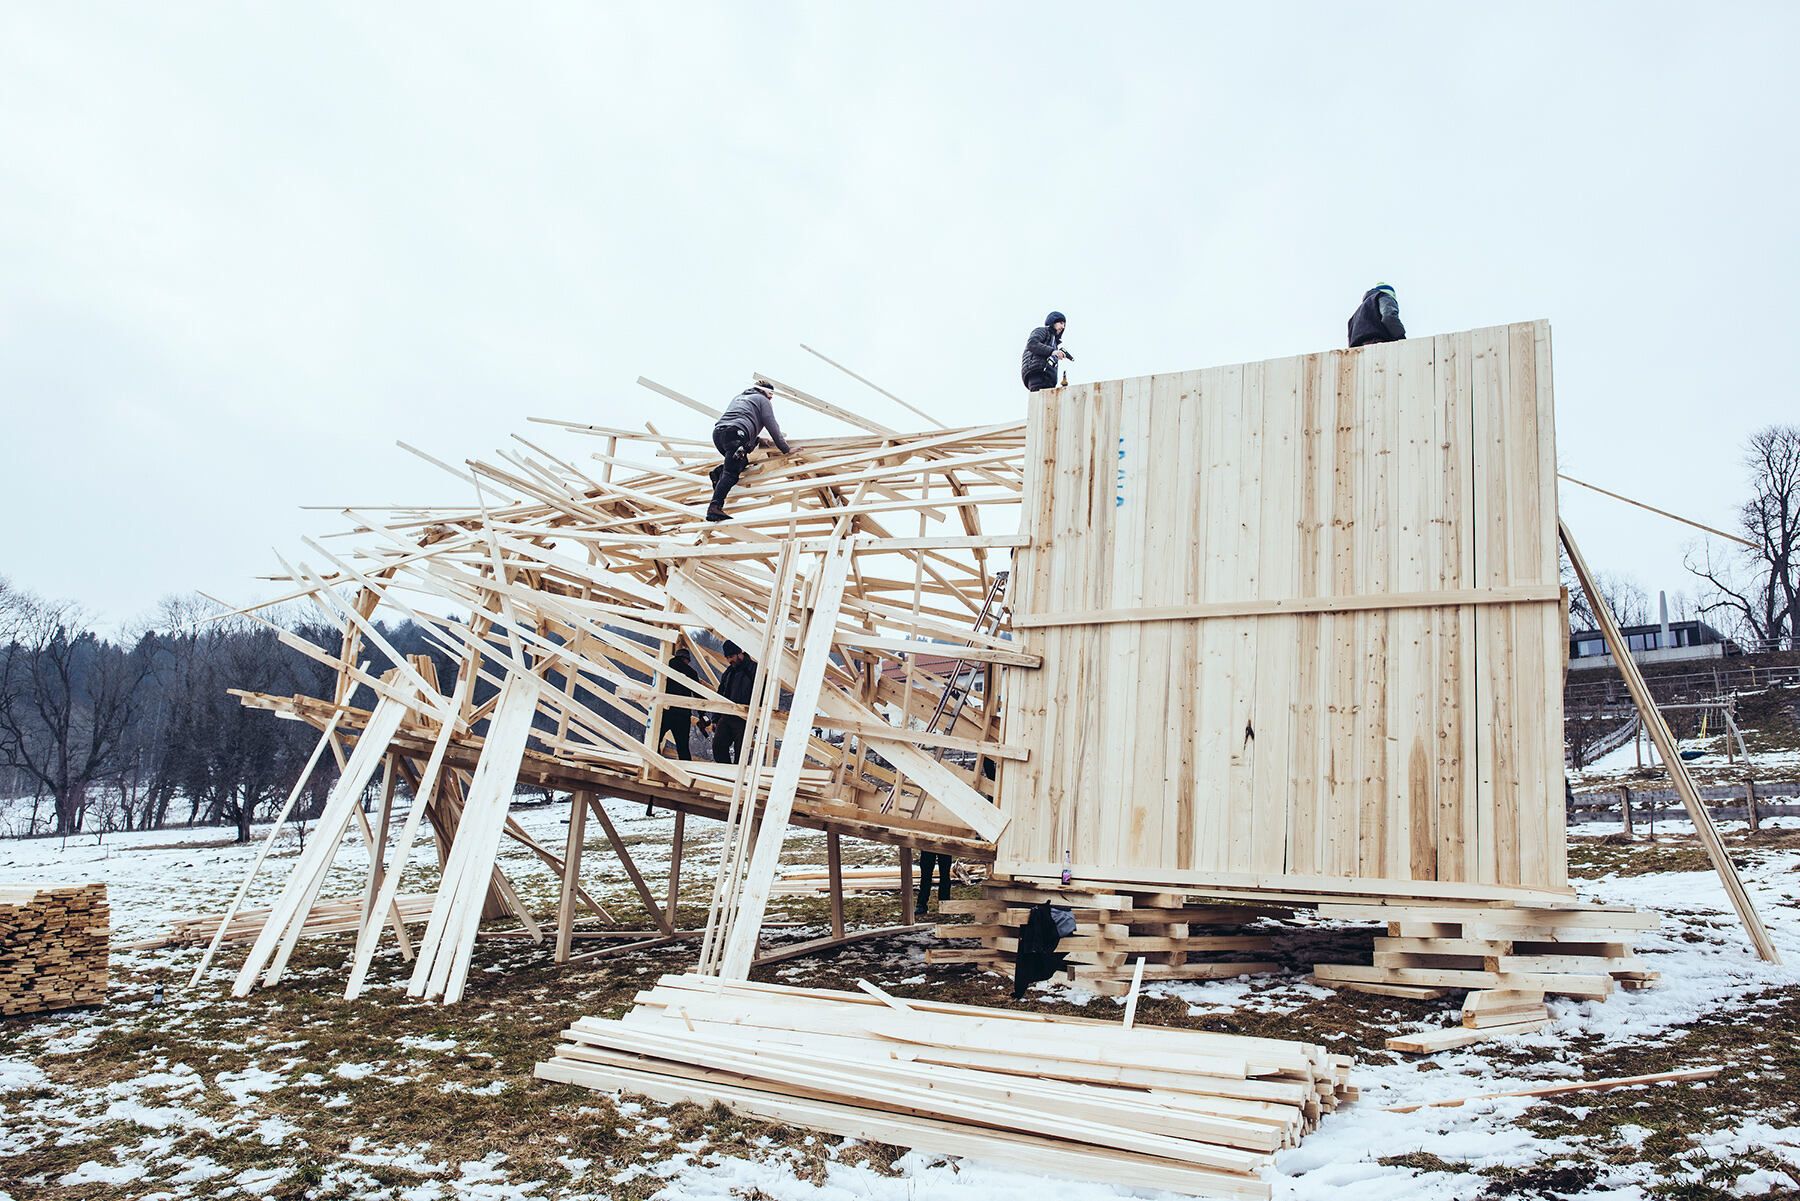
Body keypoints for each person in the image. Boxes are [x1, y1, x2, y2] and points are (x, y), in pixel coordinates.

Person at [707, 380, 792, 522]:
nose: (771, 397)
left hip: (720, 434)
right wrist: (786, 449)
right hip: (736, 434)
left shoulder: (740, 397)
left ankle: (718, 472)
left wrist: (757, 439)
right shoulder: (762, 399)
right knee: (731, 474)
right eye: (770, 393)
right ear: (763, 391)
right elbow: (772, 425)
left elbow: (741, 418)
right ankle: (714, 508)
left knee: (741, 462)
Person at [712, 640, 757, 763]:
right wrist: (715, 718)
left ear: (739, 653)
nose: (729, 660)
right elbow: (720, 694)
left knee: (741, 753)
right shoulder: (729, 672)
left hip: (744, 718)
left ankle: (738, 778)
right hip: (727, 716)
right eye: (727, 658)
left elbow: (762, 694)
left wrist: (756, 718)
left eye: (731, 656)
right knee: (718, 746)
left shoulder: (753, 670)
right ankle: (727, 776)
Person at [655, 644, 698, 761]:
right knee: (683, 746)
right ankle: (686, 772)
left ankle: (656, 762)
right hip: (683, 714)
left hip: (666, 710)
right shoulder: (691, 673)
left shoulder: (667, 667)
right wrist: (702, 714)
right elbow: (697, 694)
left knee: (655, 739)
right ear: (686, 660)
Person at [1020, 311, 1071, 392]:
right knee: (1039, 401)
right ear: (1052, 321)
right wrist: (1053, 351)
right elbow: (1032, 344)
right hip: (1038, 374)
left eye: (1064, 324)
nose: (1063, 327)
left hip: (1048, 379)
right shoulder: (1042, 331)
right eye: (1061, 323)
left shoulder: (1054, 342)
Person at [1347, 283, 1406, 348]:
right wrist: (1401, 338)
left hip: (1359, 351)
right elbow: (1389, 317)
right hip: (1378, 343)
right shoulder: (1384, 296)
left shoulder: (1355, 315)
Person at [915, 852, 954, 916]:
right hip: (927, 845)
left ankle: (944, 904)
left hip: (944, 846)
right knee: (926, 875)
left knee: (945, 875)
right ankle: (921, 904)